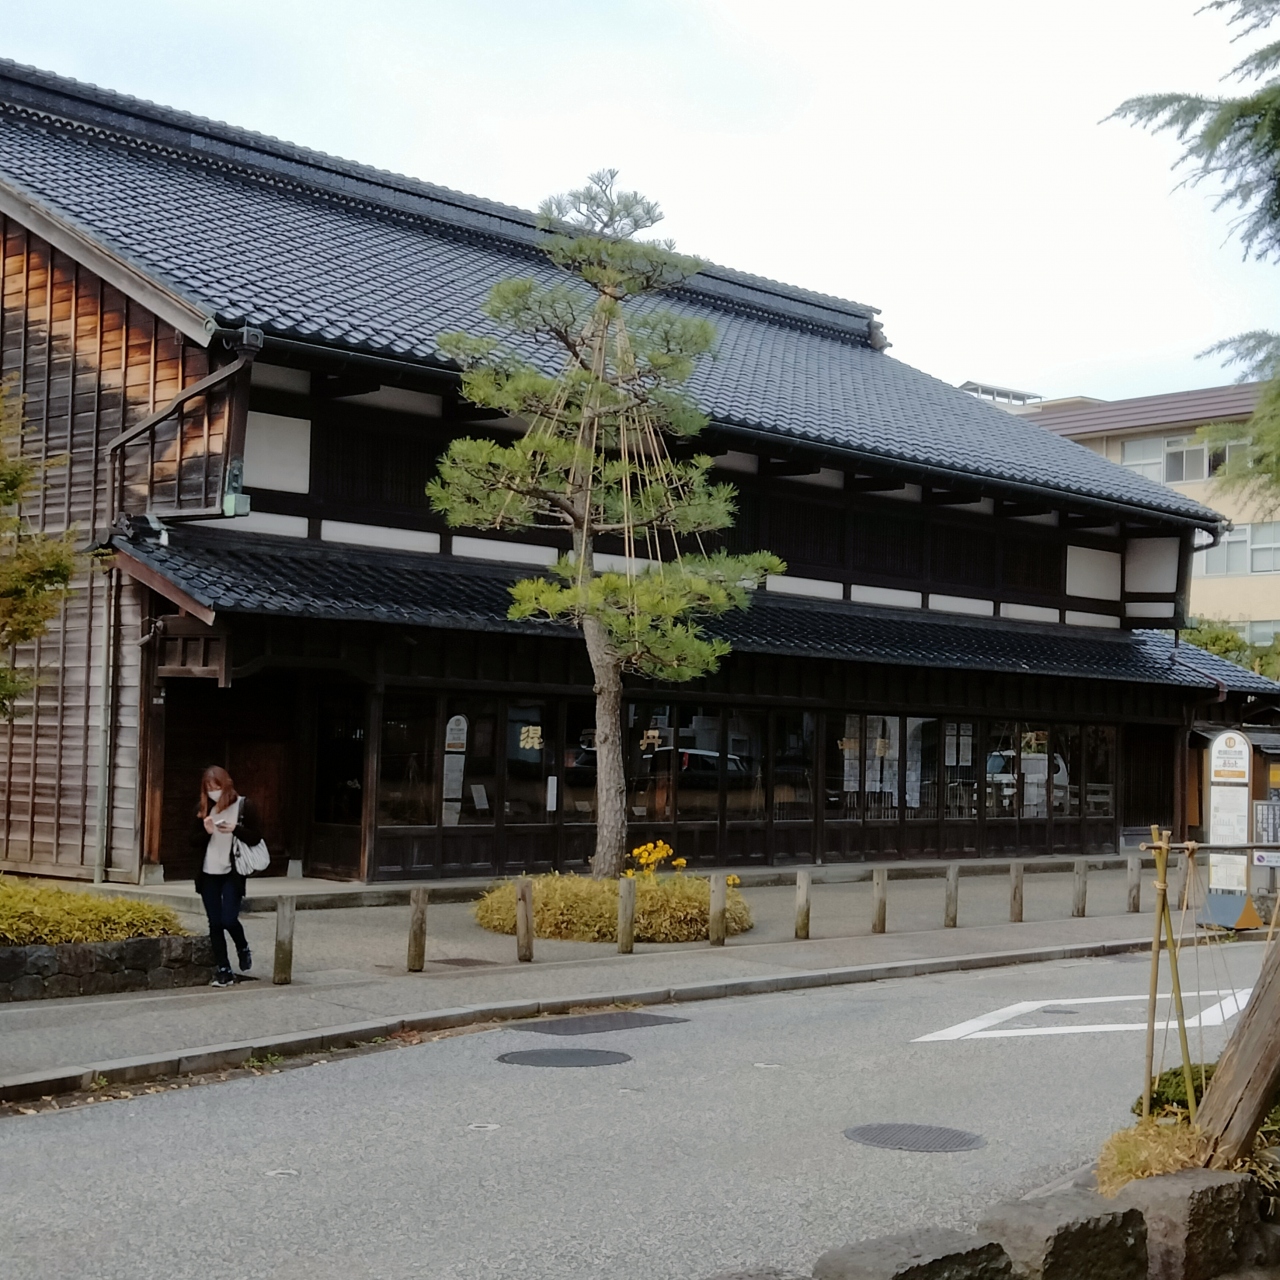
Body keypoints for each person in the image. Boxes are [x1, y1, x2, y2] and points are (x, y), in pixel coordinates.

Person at [191, 765, 263, 988]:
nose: (213, 792)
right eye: (209, 788)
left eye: (217, 787)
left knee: (229, 919)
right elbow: (191, 841)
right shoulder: (203, 808)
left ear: (226, 785)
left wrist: (235, 829)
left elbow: (256, 837)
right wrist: (206, 832)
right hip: (208, 872)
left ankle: (242, 946)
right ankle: (223, 969)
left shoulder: (244, 806)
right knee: (215, 923)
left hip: (232, 872)